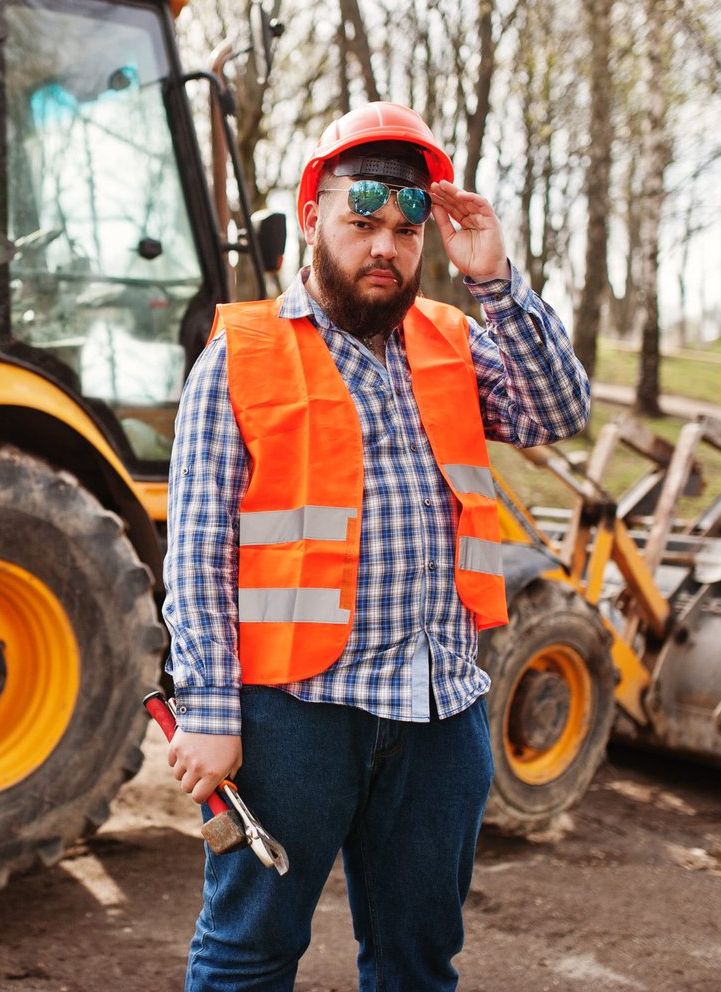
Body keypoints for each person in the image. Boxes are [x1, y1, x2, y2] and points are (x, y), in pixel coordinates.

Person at [161, 101, 591, 991]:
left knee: (419, 965)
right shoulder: (241, 356)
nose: (385, 248)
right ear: (312, 213)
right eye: (362, 224)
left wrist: (497, 280)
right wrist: (208, 708)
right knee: (248, 954)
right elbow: (197, 551)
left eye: (405, 228)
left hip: (439, 719)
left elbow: (557, 413)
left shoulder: (452, 338)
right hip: (294, 719)